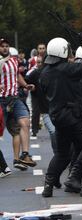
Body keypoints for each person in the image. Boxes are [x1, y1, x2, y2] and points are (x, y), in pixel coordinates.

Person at [40, 37, 82, 197]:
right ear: (62, 51)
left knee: (62, 154)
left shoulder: (44, 72)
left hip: (58, 118)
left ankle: (48, 186)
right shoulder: (66, 69)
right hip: (74, 117)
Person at [0, 38, 36, 169]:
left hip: (14, 99)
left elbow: (17, 76)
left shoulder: (14, 60)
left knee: (25, 122)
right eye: (2, 46)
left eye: (6, 46)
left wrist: (26, 85)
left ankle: (24, 155)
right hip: (1, 101)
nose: (4, 48)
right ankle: (3, 165)